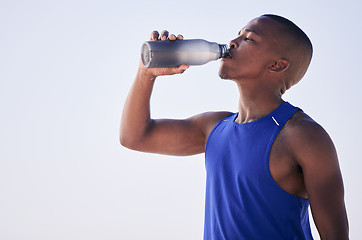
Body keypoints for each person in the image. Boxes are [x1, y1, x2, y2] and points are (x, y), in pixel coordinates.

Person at [120, 14, 349, 239]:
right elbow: (134, 136)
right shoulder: (213, 128)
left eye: (248, 39)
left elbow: (335, 235)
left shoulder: (304, 136)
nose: (232, 43)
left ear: (277, 65)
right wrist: (145, 73)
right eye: (238, 34)